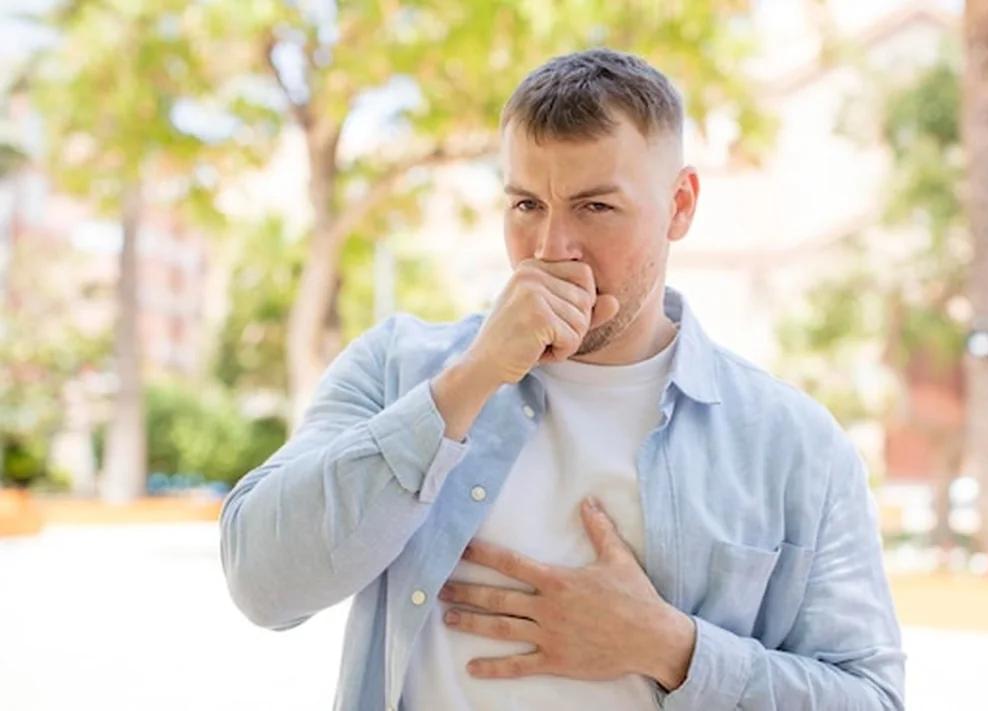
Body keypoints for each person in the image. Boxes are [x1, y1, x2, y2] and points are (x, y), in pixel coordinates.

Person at [219, 48, 905, 711]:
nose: (551, 249)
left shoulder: (795, 445)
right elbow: (262, 583)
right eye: (526, 206)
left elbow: (871, 696)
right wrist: (470, 382)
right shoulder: (399, 367)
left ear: (681, 205)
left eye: (595, 207)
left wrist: (670, 647)